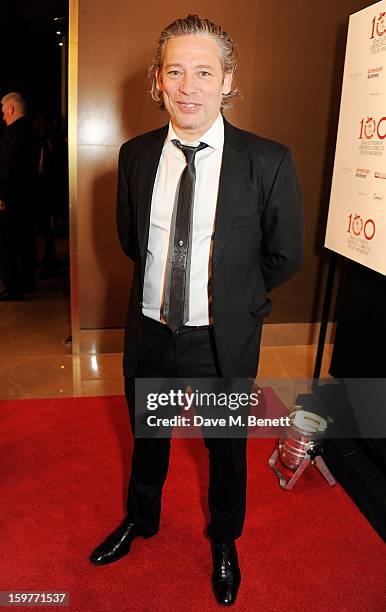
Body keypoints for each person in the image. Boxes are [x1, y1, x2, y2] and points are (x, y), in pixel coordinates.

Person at [90, 15, 303, 606]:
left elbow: (285, 255)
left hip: (221, 342)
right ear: (157, 80)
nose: (188, 86)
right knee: (148, 435)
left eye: (204, 72)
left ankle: (225, 539)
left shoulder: (268, 160)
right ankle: (142, 518)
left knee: (225, 448)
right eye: (175, 71)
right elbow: (133, 244)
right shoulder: (134, 157)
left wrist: (241, 305)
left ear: (227, 81)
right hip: (152, 333)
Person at [0, 92, 41, 300]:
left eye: (4, 112)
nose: (3, 117)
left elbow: (6, 167)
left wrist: (2, 195)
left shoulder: (11, 132)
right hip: (30, 196)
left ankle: (13, 289)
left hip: (12, 198)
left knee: (7, 245)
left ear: (12, 109)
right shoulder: (34, 132)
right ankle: (28, 282)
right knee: (26, 241)